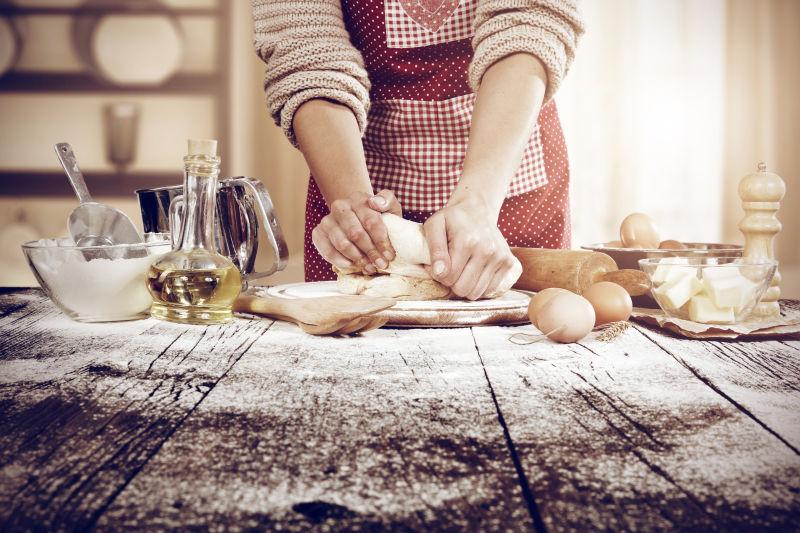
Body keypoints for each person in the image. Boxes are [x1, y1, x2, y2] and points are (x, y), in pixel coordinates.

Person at [254, 0, 583, 300]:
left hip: (510, 189)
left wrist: (478, 203)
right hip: (360, 179)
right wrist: (357, 210)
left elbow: (528, 26)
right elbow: (307, 54)